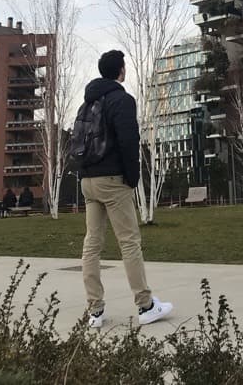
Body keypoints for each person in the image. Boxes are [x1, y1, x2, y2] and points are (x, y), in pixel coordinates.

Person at [80, 49, 173, 329]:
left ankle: (94, 311)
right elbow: (129, 142)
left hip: (87, 181)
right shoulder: (122, 100)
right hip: (113, 180)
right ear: (120, 71)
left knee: (92, 244)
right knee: (129, 242)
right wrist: (133, 178)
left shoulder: (87, 102)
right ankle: (145, 305)